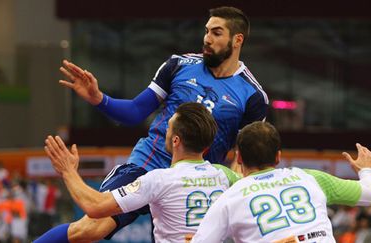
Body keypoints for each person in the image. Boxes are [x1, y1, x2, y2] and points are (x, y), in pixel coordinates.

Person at [47, 6, 268, 242]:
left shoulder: (252, 95)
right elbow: (135, 112)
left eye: (216, 33)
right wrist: (99, 99)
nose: (207, 38)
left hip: (196, 184)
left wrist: (233, 187)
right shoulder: (179, 66)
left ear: (237, 40)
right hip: (148, 165)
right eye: (206, 31)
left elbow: (245, 156)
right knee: (89, 230)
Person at [35, 103, 241, 242]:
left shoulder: (158, 179)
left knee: (88, 228)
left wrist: (68, 171)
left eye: (168, 128)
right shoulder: (225, 176)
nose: (164, 132)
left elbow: (95, 206)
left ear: (176, 140)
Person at [191, 121, 371, 243]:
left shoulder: (229, 198)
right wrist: (365, 169)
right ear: (278, 156)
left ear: (238, 158)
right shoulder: (312, 179)